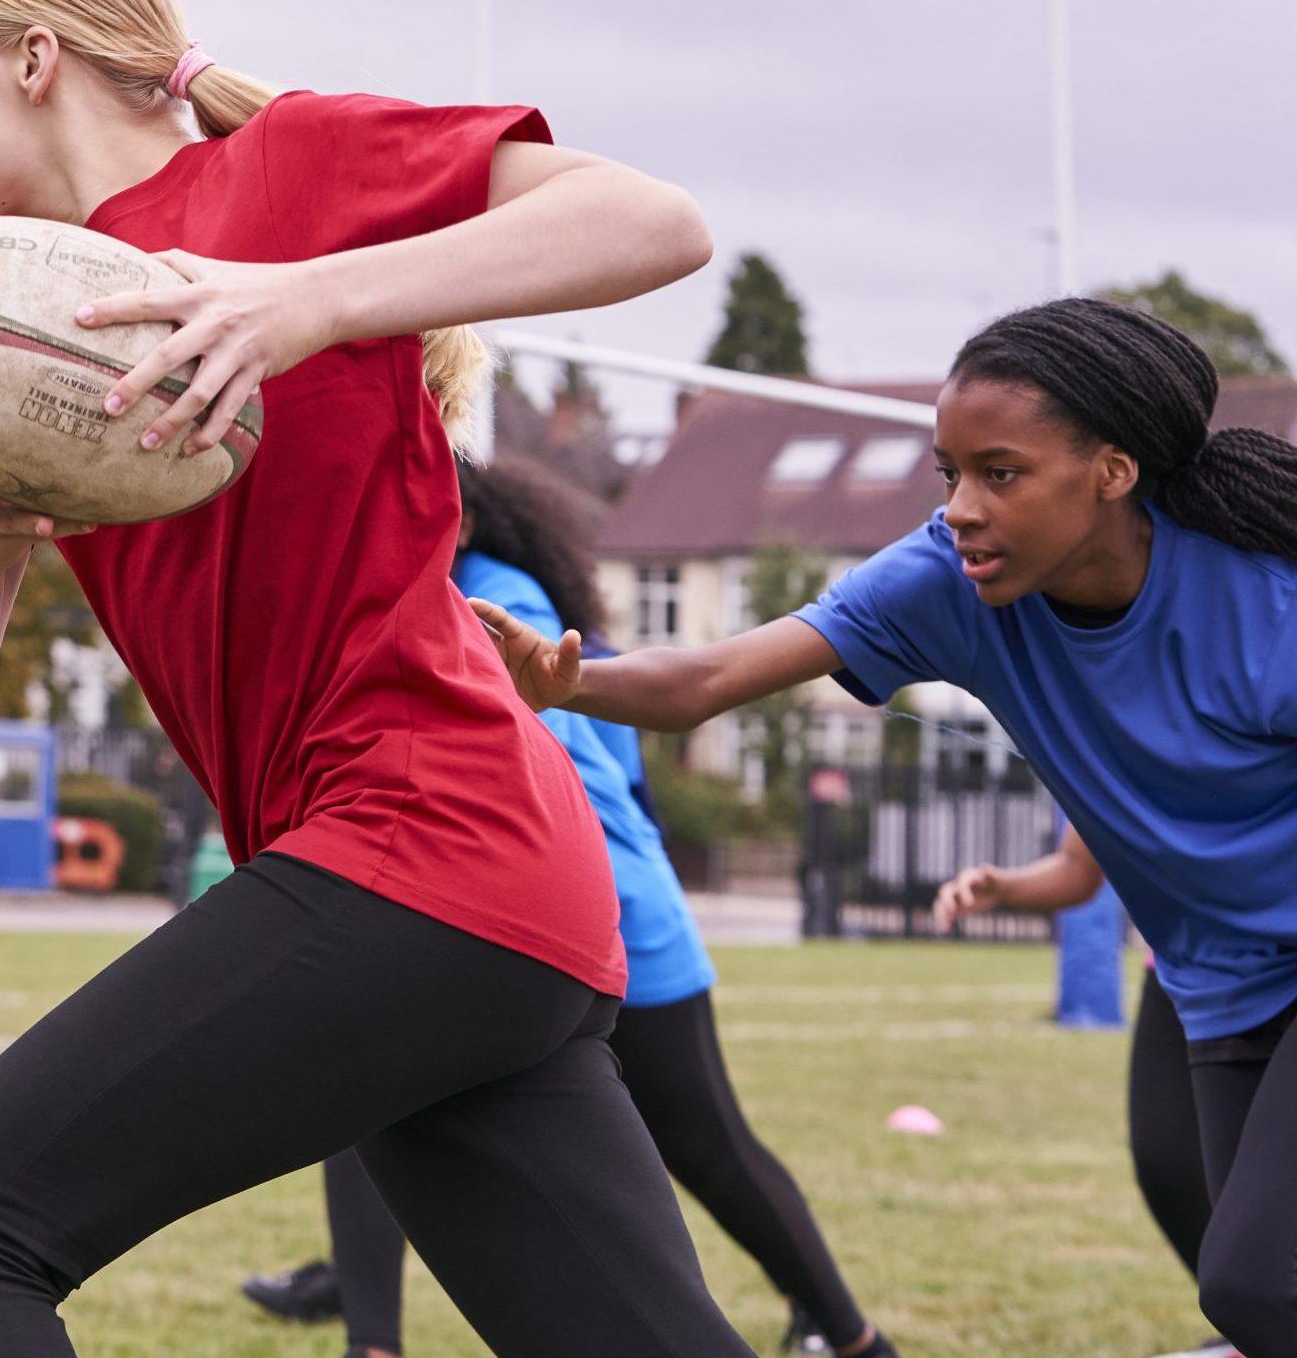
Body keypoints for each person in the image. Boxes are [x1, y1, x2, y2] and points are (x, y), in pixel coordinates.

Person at [0, 0, 746, 1354]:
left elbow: (659, 224)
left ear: (32, 58)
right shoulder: (1, 333)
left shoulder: (291, 172)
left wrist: (304, 299)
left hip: (422, 843)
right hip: (471, 900)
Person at [474, 297, 1297, 1356]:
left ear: (1114, 469)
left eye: (999, 473)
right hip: (1221, 978)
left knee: (1259, 1289)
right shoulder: (945, 584)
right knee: (1248, 1296)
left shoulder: (1262, 601)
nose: (959, 506)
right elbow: (709, 676)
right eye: (946, 474)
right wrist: (565, 682)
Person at [242, 458, 892, 1358]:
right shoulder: (401, 596)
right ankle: (370, 1336)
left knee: (709, 1149)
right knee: (360, 1091)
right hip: (506, 910)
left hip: (612, 916)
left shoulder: (501, 599)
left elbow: (532, 739)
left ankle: (854, 1338)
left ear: (457, 521)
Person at [935, 833, 1240, 1358]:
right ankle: (1256, 1324)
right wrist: (1004, 887)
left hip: (1278, 965)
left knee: (1264, 1178)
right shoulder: (1121, 749)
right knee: (1166, 1162)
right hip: (1180, 964)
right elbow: (1079, 867)